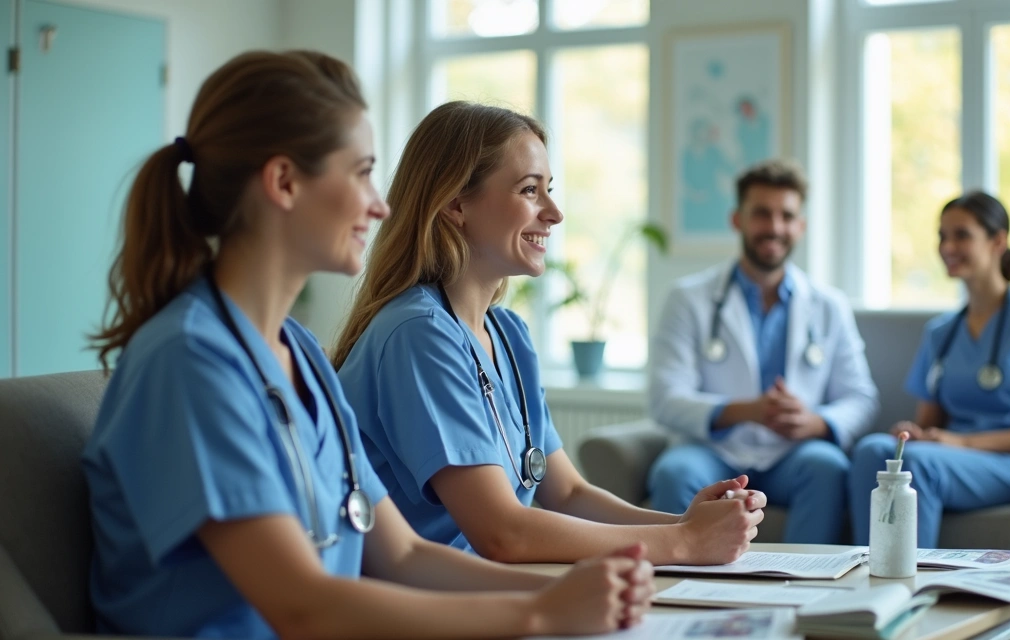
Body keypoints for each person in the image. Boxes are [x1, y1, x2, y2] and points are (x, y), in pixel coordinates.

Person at [83, 52, 652, 639]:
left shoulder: (298, 353)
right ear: (284, 182)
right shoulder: (189, 362)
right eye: (361, 173)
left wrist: (580, 593)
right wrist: (539, 613)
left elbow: (401, 557)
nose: (380, 204)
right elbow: (302, 607)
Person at [332, 101, 765, 566]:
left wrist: (683, 524)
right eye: (530, 190)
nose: (555, 213)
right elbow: (503, 532)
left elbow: (568, 492)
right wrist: (683, 544)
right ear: (456, 204)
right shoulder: (418, 335)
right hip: (419, 606)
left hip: (483, 591)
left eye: (549, 190)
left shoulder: (508, 334)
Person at [647, 159, 879, 544]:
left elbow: (861, 398)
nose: (774, 227)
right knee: (674, 471)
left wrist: (816, 423)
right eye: (761, 214)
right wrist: (745, 411)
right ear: (737, 219)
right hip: (712, 451)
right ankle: (679, 590)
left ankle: (804, 591)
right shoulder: (687, 298)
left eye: (786, 216)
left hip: (794, 455)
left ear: (800, 226)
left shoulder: (828, 306)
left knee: (828, 467)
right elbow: (664, 398)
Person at [847, 191, 1010, 548]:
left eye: (962, 235)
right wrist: (916, 433)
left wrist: (964, 442)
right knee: (872, 449)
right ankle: (865, 575)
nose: (947, 246)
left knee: (917, 468)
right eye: (942, 236)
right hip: (953, 456)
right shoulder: (941, 333)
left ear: (998, 241)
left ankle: (909, 591)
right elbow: (930, 426)